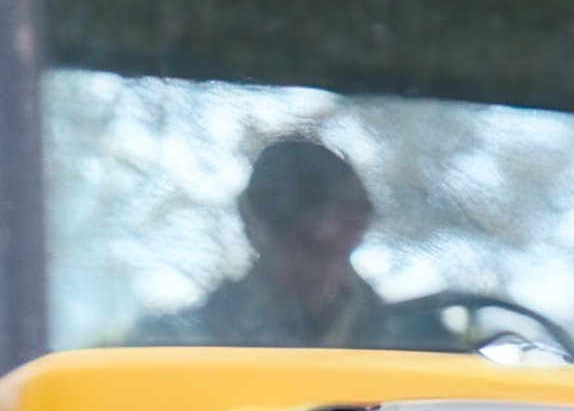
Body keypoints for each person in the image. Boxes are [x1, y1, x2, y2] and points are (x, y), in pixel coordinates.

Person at [140, 136, 468, 350]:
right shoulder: (177, 340)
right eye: (310, 208)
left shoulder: (415, 339)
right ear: (255, 219)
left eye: (355, 211)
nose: (326, 232)